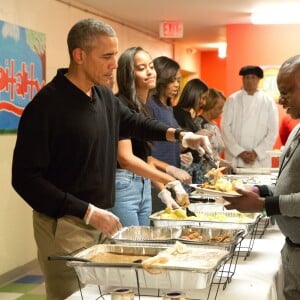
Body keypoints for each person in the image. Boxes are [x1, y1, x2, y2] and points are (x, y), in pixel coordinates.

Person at [11, 19, 212, 300]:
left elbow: (134, 123)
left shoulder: (103, 96)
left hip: (104, 221)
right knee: (73, 296)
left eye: (115, 55)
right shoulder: (47, 106)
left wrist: (180, 135)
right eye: (106, 56)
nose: (114, 65)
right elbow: (25, 179)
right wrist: (87, 212)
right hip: (67, 224)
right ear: (79, 55)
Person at [223, 55, 300, 300]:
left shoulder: (267, 104)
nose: (281, 99)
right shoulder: (297, 127)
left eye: (287, 91)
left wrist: (264, 205)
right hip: (293, 247)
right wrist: (261, 191)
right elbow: (290, 182)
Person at [111, 46, 191, 226]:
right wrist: (170, 180)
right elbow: (126, 159)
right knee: (131, 248)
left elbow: (145, 158)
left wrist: (162, 189)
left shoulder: (144, 108)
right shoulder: (121, 105)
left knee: (144, 244)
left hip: (143, 184)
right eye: (141, 68)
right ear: (128, 74)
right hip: (123, 183)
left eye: (151, 66)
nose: (149, 72)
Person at [221, 65, 279, 168]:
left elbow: (273, 131)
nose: (250, 80)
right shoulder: (232, 100)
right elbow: (225, 128)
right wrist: (240, 152)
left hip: (259, 161)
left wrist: (256, 152)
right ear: (242, 79)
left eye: (253, 77)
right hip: (236, 159)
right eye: (247, 77)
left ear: (259, 79)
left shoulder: (268, 101)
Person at [173, 78, 209, 184]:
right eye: (202, 98)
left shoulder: (189, 116)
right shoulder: (175, 113)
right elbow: (174, 147)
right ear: (194, 94)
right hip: (183, 172)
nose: (204, 102)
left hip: (194, 171)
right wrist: (196, 135)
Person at [194, 88, 232, 172]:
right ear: (210, 105)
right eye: (219, 107)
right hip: (202, 174)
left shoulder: (214, 125)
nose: (222, 111)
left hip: (214, 173)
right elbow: (202, 155)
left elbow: (216, 154)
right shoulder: (198, 123)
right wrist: (224, 163)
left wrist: (226, 163)